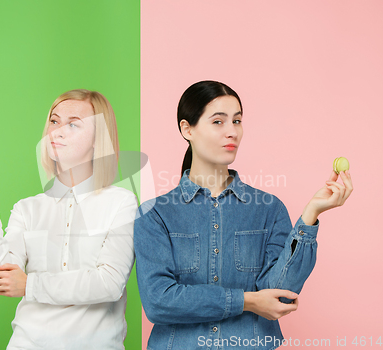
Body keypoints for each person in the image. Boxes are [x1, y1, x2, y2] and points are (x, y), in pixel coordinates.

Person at [134, 80, 353, 350]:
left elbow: (280, 296)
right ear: (186, 129)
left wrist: (310, 215)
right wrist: (247, 301)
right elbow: (158, 302)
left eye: (237, 121)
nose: (232, 132)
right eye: (218, 122)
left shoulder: (269, 209)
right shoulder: (155, 214)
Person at [0, 89, 138, 350]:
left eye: (73, 124)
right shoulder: (27, 208)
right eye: (54, 121)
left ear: (99, 139)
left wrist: (30, 284)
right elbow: (1, 276)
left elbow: (108, 283)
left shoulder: (121, 203)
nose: (58, 131)